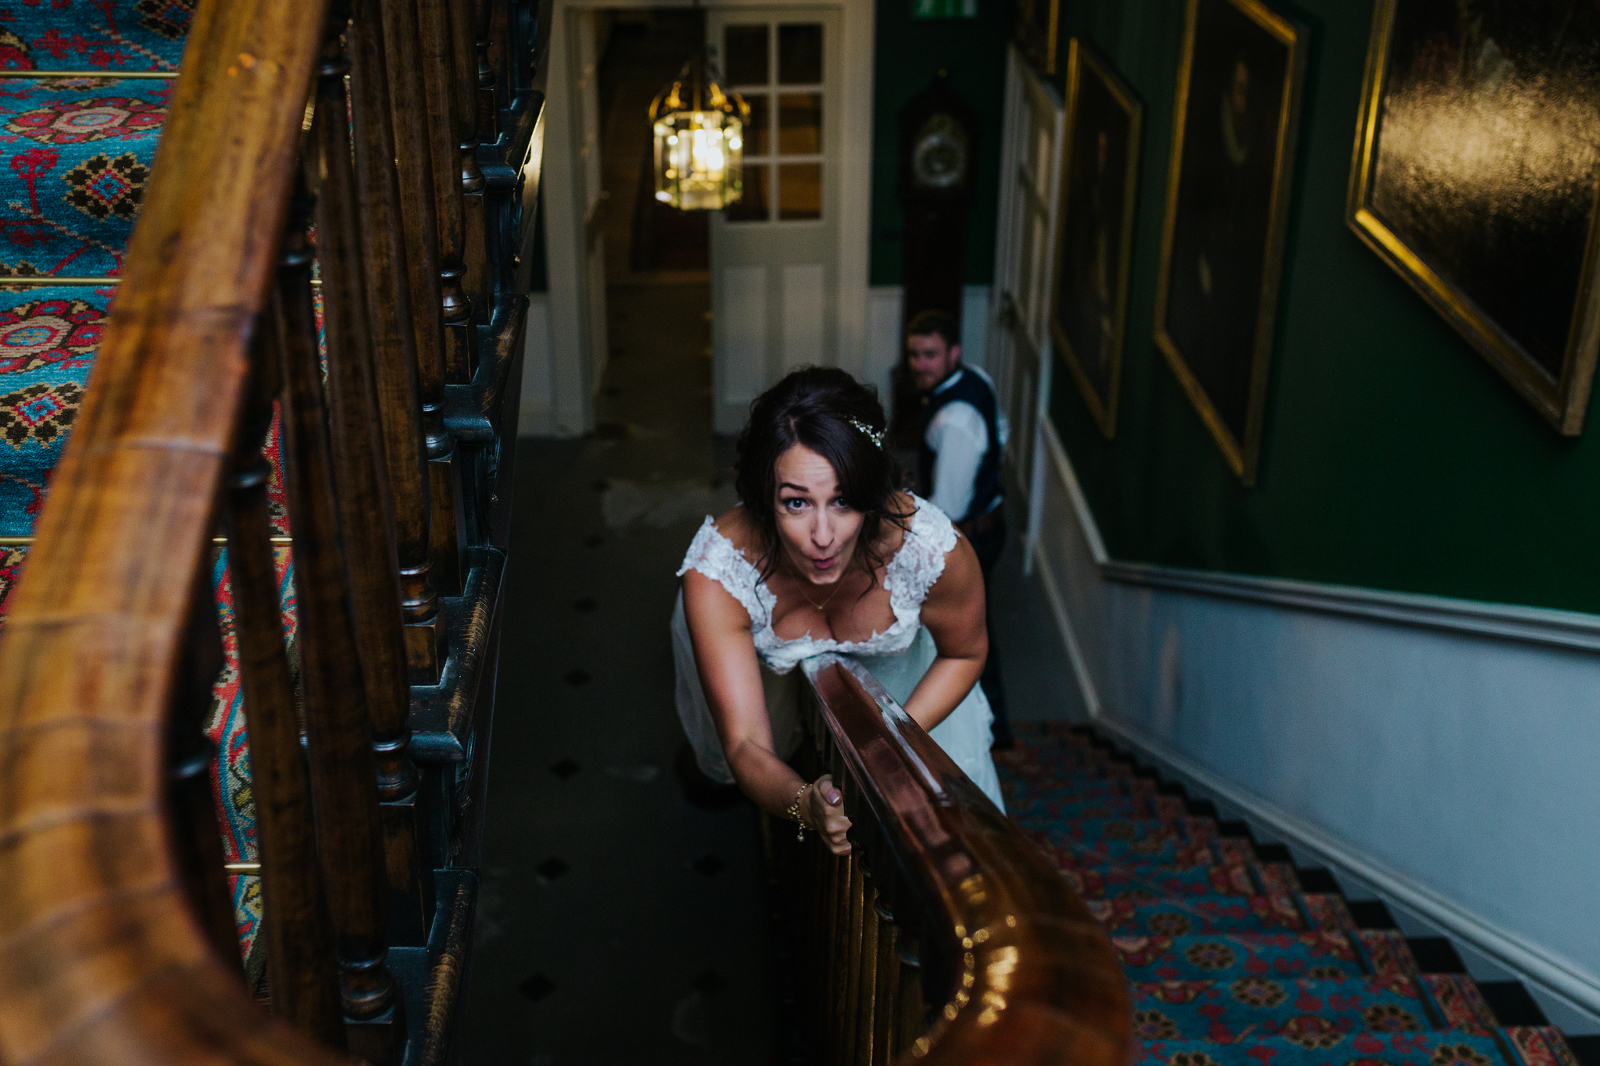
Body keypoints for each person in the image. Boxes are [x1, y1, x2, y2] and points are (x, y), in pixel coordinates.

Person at [670, 367, 1004, 856]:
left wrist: (889, 744)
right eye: (797, 503)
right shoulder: (720, 574)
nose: (823, 537)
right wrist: (804, 803)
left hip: (919, 700)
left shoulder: (931, 552)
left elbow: (965, 655)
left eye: (844, 500)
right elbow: (744, 743)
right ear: (765, 497)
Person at [903, 310, 1013, 749]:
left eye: (930, 355)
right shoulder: (977, 378)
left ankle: (992, 729)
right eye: (914, 355)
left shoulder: (955, 421)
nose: (920, 365)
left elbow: (944, 512)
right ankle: (997, 726)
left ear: (953, 353)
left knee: (966, 634)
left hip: (973, 534)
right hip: (992, 516)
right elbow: (1001, 431)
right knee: (979, 626)